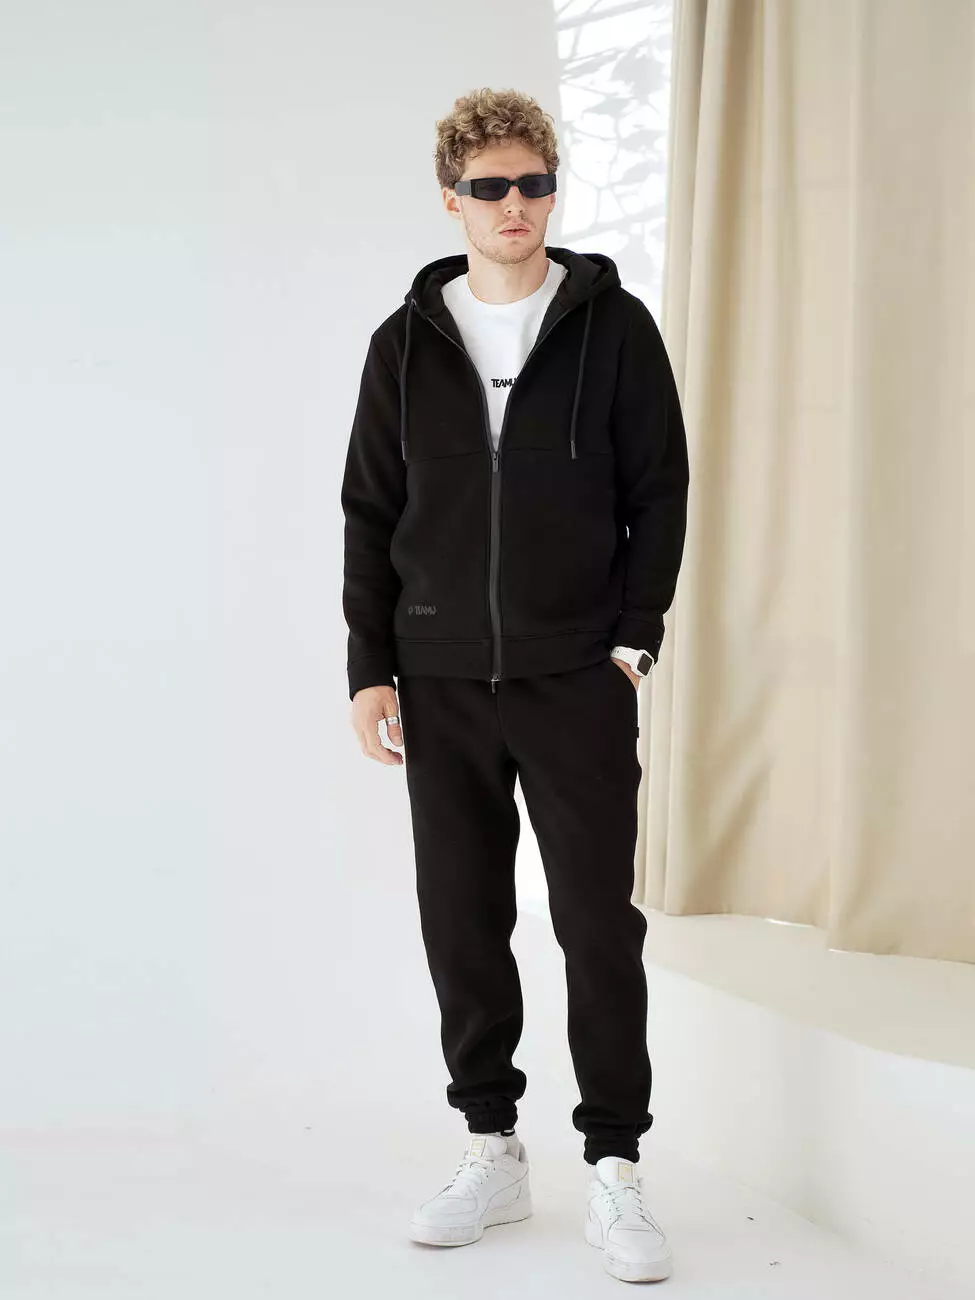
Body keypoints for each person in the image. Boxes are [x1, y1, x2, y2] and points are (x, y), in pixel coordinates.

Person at [341, 88, 688, 1284]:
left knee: (597, 922)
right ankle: (492, 1144)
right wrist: (369, 666)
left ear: (553, 189)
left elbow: (659, 490)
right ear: (452, 198)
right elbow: (369, 512)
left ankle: (617, 1164)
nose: (514, 206)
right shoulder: (403, 346)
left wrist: (632, 641)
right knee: (462, 916)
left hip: (575, 675)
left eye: (533, 183)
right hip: (438, 676)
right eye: (489, 187)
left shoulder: (615, 328)